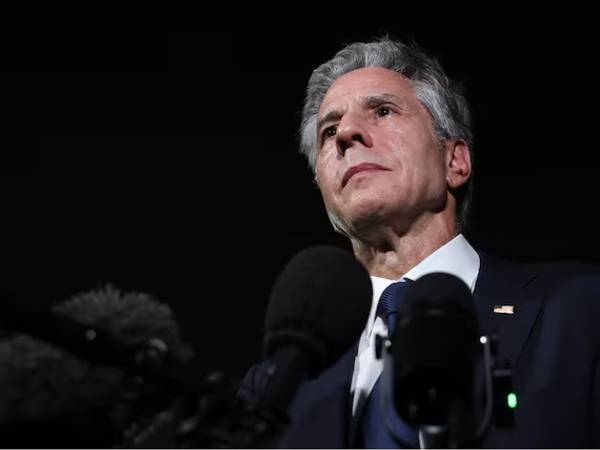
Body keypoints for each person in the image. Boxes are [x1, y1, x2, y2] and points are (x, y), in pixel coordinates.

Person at [241, 37, 600, 448]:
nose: (346, 133)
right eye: (329, 130)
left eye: (382, 111)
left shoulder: (581, 312)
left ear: (455, 161)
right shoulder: (277, 390)